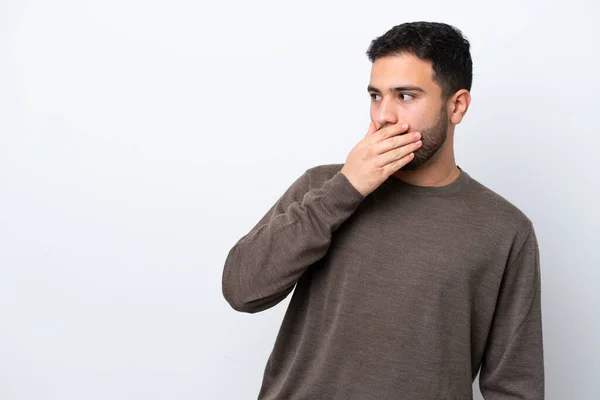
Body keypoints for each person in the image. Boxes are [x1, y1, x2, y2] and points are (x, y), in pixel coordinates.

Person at [222, 21, 544, 399]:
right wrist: (346, 188)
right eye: (376, 96)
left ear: (456, 105)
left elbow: (514, 385)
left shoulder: (504, 229)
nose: (383, 116)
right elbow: (242, 290)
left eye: (405, 96)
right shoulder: (323, 188)